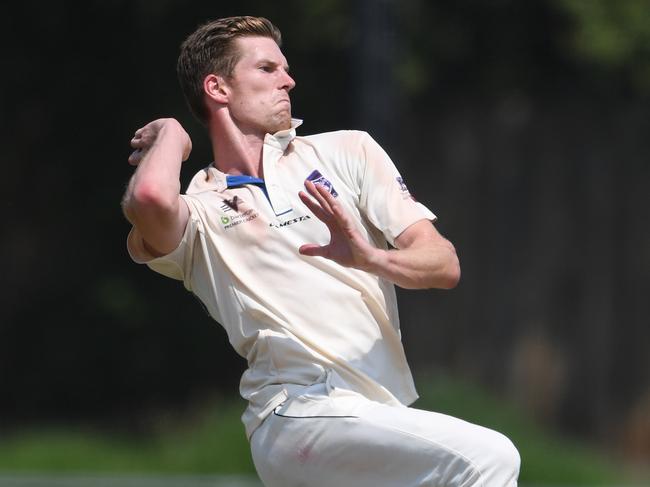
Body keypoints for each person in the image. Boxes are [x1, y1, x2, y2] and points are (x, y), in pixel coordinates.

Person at [122, 15, 520, 487]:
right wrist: (171, 132)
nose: (288, 80)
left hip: (376, 417)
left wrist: (373, 259)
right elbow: (149, 198)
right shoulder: (201, 212)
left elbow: (442, 265)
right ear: (218, 88)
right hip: (299, 413)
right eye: (267, 69)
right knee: (488, 458)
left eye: (285, 68)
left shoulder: (347, 151)